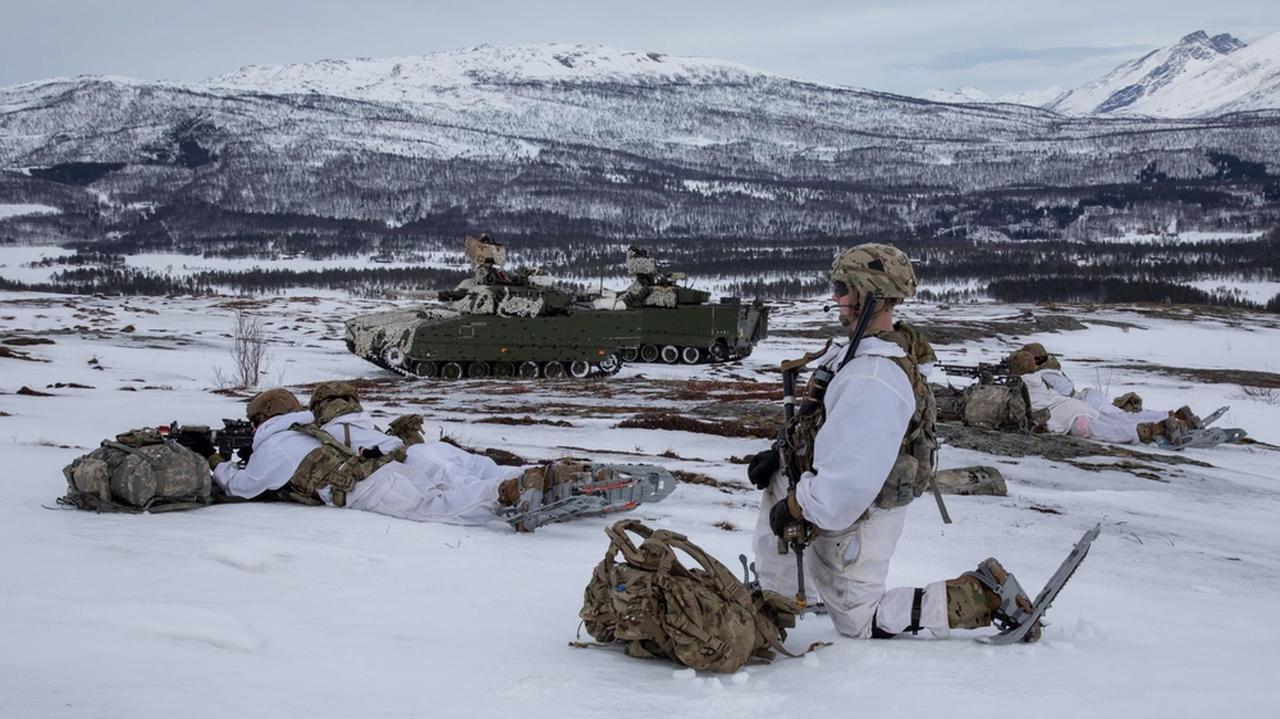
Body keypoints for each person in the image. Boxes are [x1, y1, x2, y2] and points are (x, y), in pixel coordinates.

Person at [751, 243, 1040, 641]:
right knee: (779, 512)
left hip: (860, 513)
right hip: (827, 493)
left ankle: (981, 595)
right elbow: (822, 427)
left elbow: (846, 486)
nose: (834, 298)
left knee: (859, 621)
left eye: (840, 287)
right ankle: (776, 601)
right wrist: (780, 460)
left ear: (868, 293)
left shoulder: (873, 378)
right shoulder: (855, 355)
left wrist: (798, 506)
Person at [186, 387, 584, 530]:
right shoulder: (305, 430)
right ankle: (540, 479)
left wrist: (213, 459)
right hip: (384, 467)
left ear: (262, 420)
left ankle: (512, 489)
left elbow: (243, 486)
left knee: (435, 508)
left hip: (365, 487)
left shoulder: (274, 444)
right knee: (444, 486)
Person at [1007, 345, 1200, 445]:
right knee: (1118, 420)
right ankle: (1173, 418)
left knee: (1110, 429)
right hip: (1080, 406)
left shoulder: (1032, 380)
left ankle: (1156, 429)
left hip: (1071, 412)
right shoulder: (1046, 375)